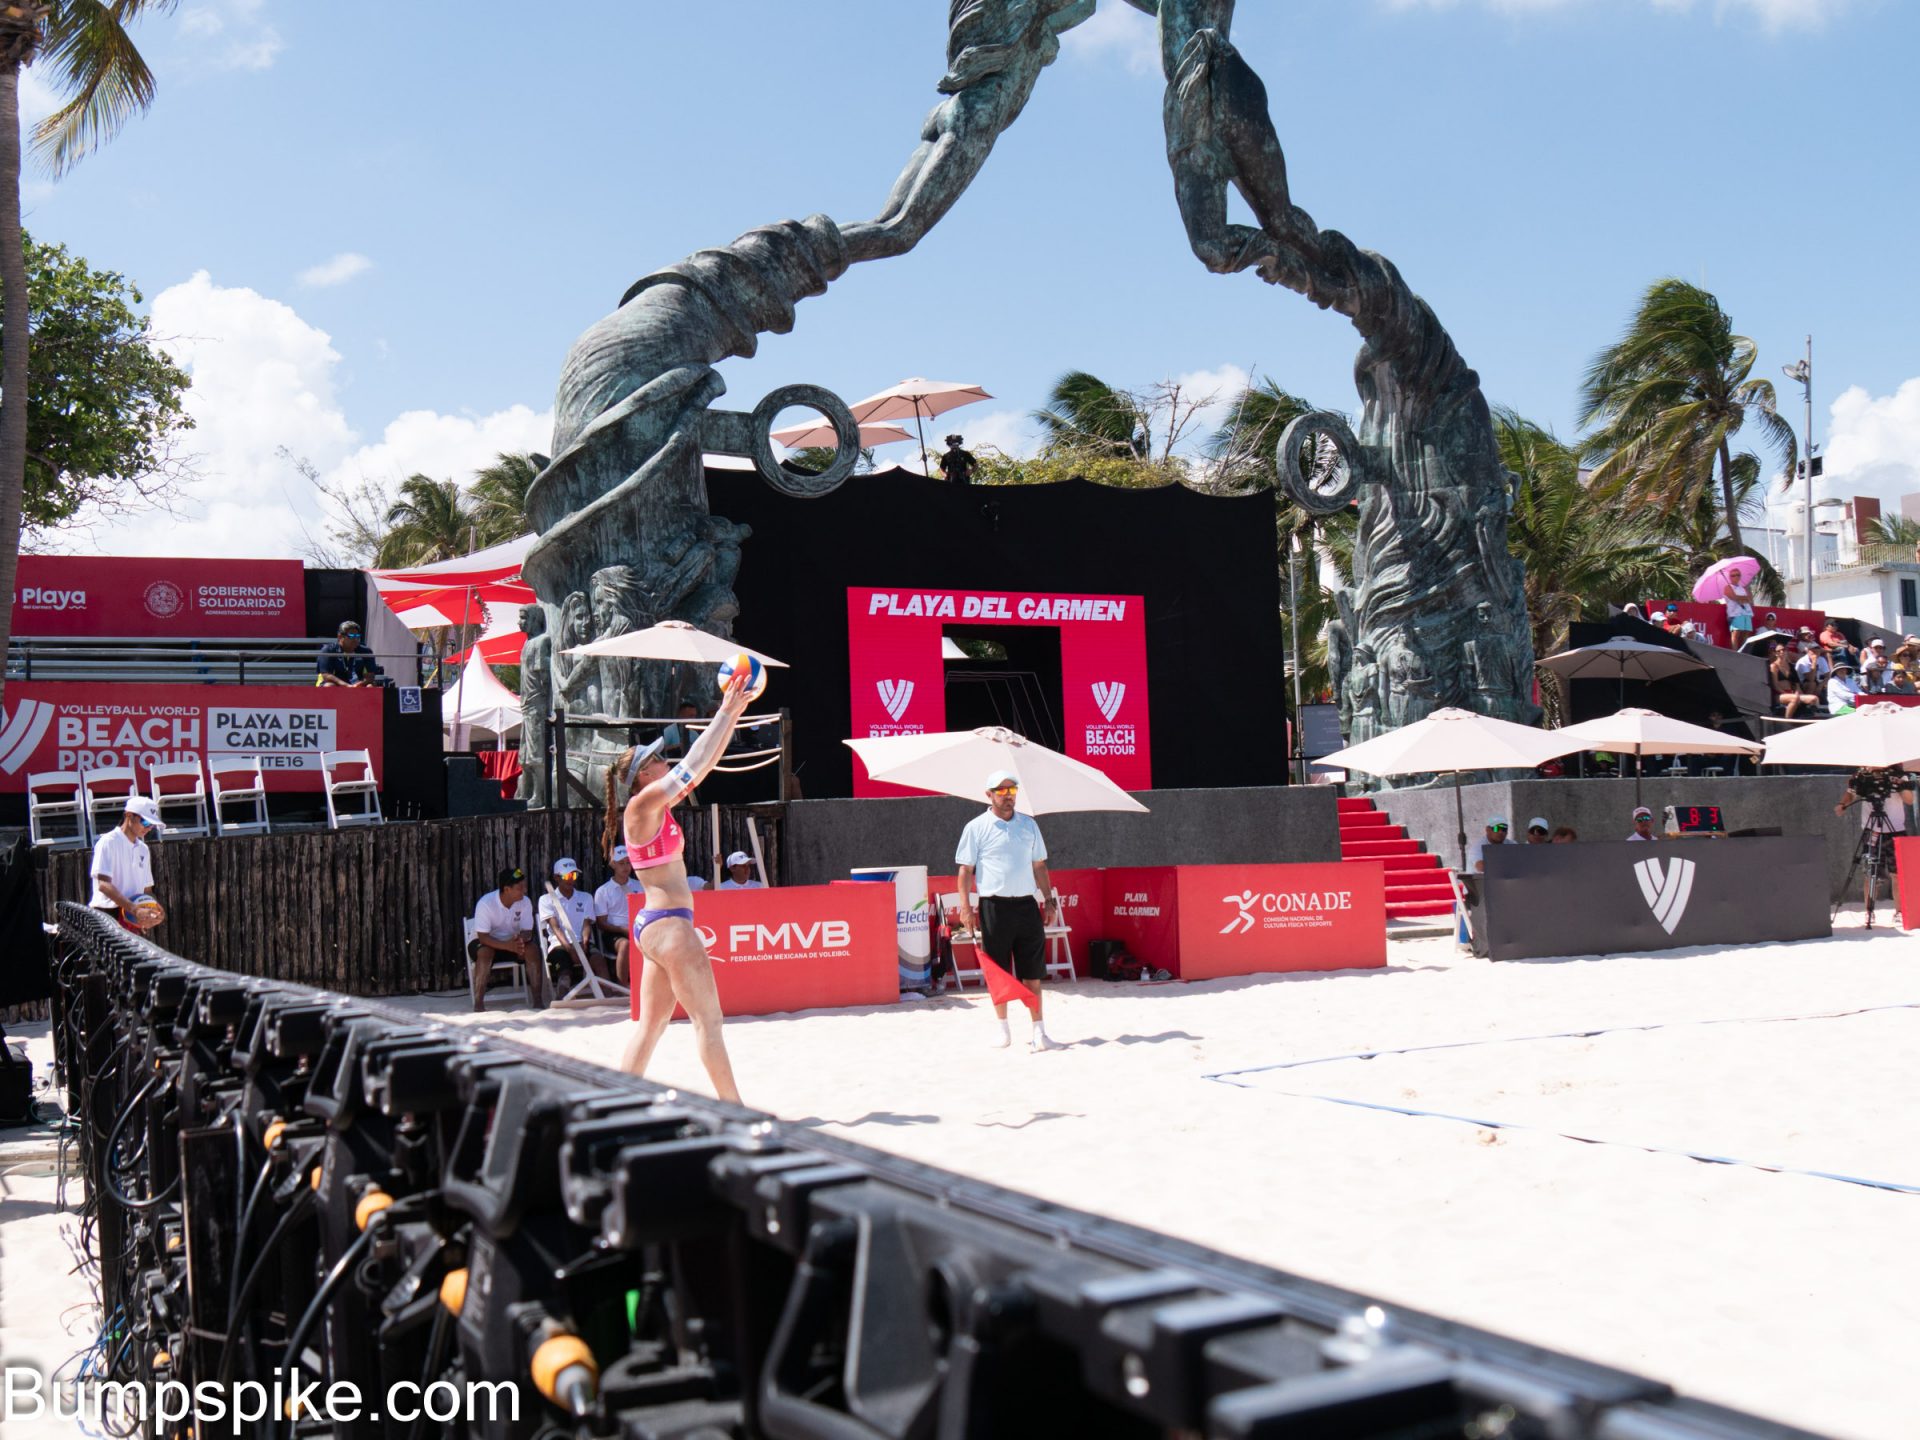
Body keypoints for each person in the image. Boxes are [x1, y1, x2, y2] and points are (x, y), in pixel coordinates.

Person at [604, 672, 756, 1102]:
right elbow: (694, 765)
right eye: (657, 759)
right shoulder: (643, 804)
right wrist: (724, 711)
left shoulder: (652, 805)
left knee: (651, 1027)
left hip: (657, 925)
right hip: (669, 925)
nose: (664, 760)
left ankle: (617, 1101)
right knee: (709, 1022)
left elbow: (703, 765)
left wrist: (732, 715)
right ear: (642, 774)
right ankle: (735, 1110)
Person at [956, 770, 1060, 1051]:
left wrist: (1049, 900)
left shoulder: (1029, 825)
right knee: (998, 972)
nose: (1008, 796)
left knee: (1032, 972)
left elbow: (1039, 866)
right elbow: (965, 870)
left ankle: (1039, 1032)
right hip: (994, 907)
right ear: (989, 795)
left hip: (1026, 905)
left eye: (1012, 790)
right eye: (1001, 791)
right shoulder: (976, 827)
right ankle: (1003, 1031)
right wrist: (966, 908)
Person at [1835, 767, 1916, 916]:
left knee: (1898, 874)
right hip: (1872, 830)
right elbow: (1851, 793)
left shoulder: (1898, 775)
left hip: (1895, 830)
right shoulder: (1862, 775)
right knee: (1871, 873)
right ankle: (1869, 911)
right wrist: (1842, 804)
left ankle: (1900, 912)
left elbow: (1909, 800)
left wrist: (1899, 784)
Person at [469, 865, 540, 1011]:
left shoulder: (525, 902)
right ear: (507, 889)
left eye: (524, 886)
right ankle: (479, 1004)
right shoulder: (486, 903)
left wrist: (520, 939)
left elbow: (528, 931)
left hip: (513, 942)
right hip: (486, 942)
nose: (525, 890)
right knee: (485, 952)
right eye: (520, 887)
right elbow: (483, 938)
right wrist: (508, 945)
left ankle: (538, 1001)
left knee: (532, 949)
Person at [89, 797, 165, 930]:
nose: (149, 828)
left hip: (132, 915)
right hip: (107, 915)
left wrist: (156, 909)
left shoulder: (143, 849)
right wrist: (135, 909)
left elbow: (147, 889)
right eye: (146, 822)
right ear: (129, 815)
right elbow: (103, 885)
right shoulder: (108, 841)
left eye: (152, 824)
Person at [538, 857, 606, 994]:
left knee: (599, 961)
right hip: (559, 945)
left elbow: (587, 925)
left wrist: (584, 945)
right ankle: (562, 1000)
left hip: (582, 942)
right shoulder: (546, 899)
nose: (571, 879)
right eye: (567, 876)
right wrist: (571, 950)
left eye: (574, 875)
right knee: (565, 973)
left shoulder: (585, 897)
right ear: (557, 878)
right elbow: (556, 928)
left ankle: (609, 997)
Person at [594, 845, 645, 983]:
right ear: (613, 865)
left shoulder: (640, 886)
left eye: (628, 862)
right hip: (614, 933)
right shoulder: (603, 891)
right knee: (625, 945)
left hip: (638, 929)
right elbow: (601, 923)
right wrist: (623, 929)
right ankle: (622, 986)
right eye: (621, 863)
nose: (626, 867)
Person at [316, 619, 381, 687]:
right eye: (351, 636)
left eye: (357, 636)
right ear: (340, 636)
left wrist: (358, 684)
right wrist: (347, 686)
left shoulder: (366, 652)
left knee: (370, 686)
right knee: (329, 685)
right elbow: (327, 676)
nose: (355, 639)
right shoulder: (328, 650)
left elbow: (370, 676)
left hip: (356, 684)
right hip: (335, 684)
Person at [1724, 571, 1754, 644]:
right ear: (1730, 577)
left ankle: (1744, 650)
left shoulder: (1743, 588)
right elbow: (1734, 597)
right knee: (1736, 633)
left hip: (1746, 613)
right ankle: (1735, 651)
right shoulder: (1728, 587)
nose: (1736, 576)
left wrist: (1740, 598)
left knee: (1746, 633)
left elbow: (1750, 599)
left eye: (1737, 575)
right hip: (1735, 614)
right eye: (1733, 575)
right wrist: (1744, 598)